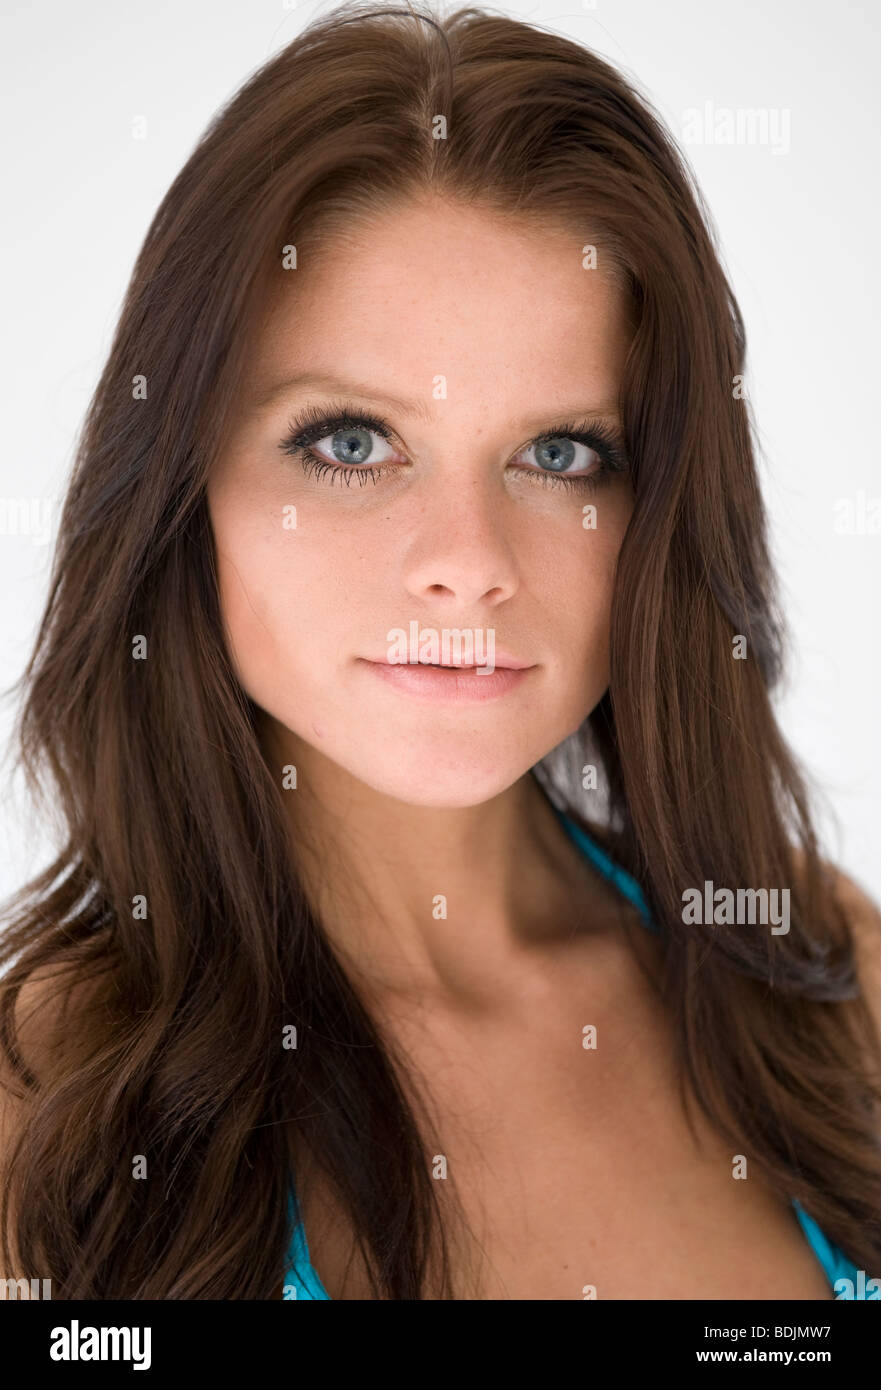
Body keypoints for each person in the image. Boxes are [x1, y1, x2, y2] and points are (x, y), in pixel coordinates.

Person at [1, 1, 879, 1301]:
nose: (467, 558)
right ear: (182, 490)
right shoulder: (44, 1110)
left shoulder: (824, 976)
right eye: (352, 442)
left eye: (560, 451)